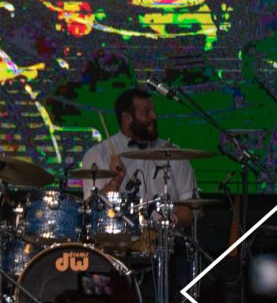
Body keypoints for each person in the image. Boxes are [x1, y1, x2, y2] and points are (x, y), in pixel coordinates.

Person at [81, 88, 196, 227]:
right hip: (118, 237)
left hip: (165, 237)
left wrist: (167, 222)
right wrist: (115, 181)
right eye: (146, 112)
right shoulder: (97, 154)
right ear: (127, 118)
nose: (154, 116)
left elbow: (190, 208)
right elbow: (91, 210)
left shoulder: (174, 154)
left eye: (153, 111)